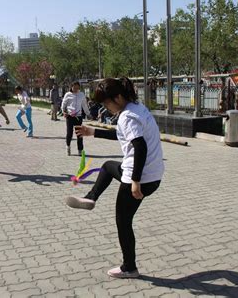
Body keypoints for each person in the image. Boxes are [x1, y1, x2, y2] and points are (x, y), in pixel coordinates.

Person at [65, 77, 164, 279]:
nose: (105, 107)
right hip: (154, 176)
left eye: (106, 103)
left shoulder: (127, 116)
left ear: (117, 98)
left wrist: (135, 182)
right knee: (108, 166)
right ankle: (91, 197)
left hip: (139, 178)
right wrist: (93, 132)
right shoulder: (137, 108)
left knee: (123, 222)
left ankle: (129, 267)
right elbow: (123, 135)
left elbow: (140, 146)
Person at [61, 81, 90, 156]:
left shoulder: (81, 94)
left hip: (78, 116)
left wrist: (88, 114)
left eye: (77, 87)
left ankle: (80, 150)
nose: (76, 89)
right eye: (74, 87)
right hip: (70, 116)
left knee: (79, 134)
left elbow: (84, 105)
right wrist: (64, 112)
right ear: (71, 87)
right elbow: (63, 105)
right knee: (69, 133)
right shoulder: (68, 95)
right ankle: (68, 146)